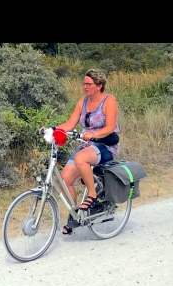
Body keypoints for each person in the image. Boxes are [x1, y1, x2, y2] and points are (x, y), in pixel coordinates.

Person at [40, 69, 120, 235]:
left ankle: (92, 194)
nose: (85, 87)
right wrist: (51, 129)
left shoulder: (108, 101)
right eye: (84, 83)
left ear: (99, 85)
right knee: (64, 181)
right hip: (86, 145)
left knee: (81, 158)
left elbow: (110, 127)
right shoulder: (82, 102)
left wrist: (94, 134)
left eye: (89, 84)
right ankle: (75, 215)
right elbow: (70, 124)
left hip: (105, 145)